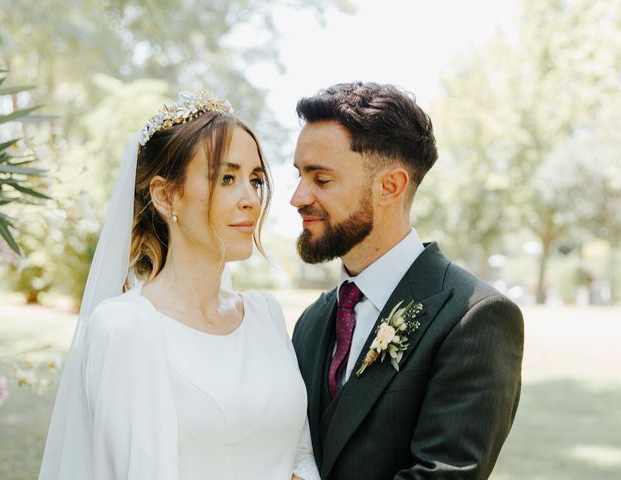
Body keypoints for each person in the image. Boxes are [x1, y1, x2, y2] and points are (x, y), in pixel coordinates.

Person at [39, 91, 319, 480]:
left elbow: (300, 454)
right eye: (226, 178)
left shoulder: (265, 314)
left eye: (255, 180)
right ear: (166, 194)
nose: (250, 199)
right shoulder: (125, 329)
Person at [290, 82, 524, 480]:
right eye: (299, 175)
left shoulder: (476, 318)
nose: (297, 197)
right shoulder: (311, 322)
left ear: (390, 186)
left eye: (321, 180)